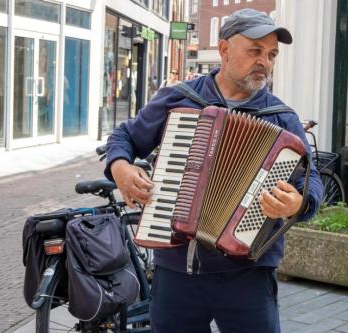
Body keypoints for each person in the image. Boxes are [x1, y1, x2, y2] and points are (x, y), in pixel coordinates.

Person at [104, 8, 323, 333]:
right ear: (224, 50)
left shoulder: (282, 119)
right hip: (177, 271)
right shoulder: (179, 100)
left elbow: (312, 182)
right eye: (255, 51)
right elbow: (124, 137)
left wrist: (298, 203)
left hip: (248, 276)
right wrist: (120, 168)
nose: (265, 61)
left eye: (271, 54)